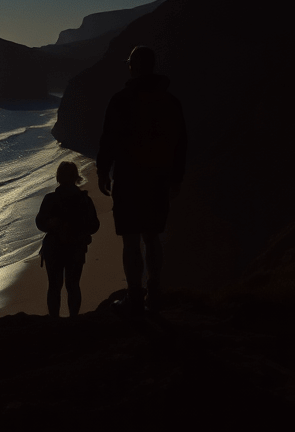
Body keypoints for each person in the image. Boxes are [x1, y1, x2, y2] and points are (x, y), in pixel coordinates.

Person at [97, 46, 187, 313]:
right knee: (152, 236)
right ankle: (154, 292)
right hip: (158, 177)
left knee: (131, 240)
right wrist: (176, 178)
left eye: (129, 62)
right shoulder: (171, 101)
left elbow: (108, 139)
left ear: (133, 67)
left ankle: (135, 295)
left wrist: (103, 171)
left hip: (129, 178)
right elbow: (181, 143)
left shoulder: (121, 100)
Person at [35, 161, 100, 318]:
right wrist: (81, 229)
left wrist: (52, 224)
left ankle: (54, 320)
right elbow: (95, 226)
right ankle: (73, 319)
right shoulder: (84, 200)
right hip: (76, 247)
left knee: (54, 286)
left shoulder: (50, 199)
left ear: (58, 178)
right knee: (73, 285)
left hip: (54, 248)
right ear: (76, 177)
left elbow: (40, 223)